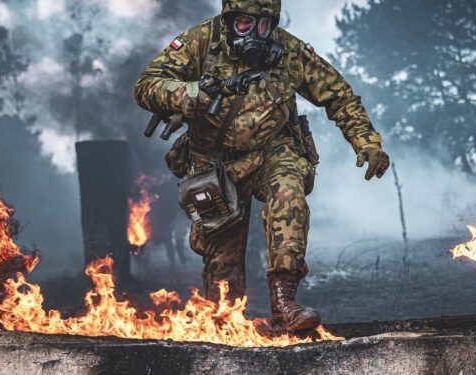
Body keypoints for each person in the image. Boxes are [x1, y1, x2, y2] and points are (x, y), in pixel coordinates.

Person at [134, 0, 390, 333]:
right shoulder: (199, 41)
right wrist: (191, 93)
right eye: (244, 24)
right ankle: (225, 324)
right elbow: (147, 85)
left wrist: (367, 142)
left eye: (263, 25)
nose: (255, 34)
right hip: (214, 161)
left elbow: (338, 94)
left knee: (289, 192)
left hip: (273, 149)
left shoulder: (289, 52)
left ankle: (285, 304)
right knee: (221, 265)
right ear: (228, 21)